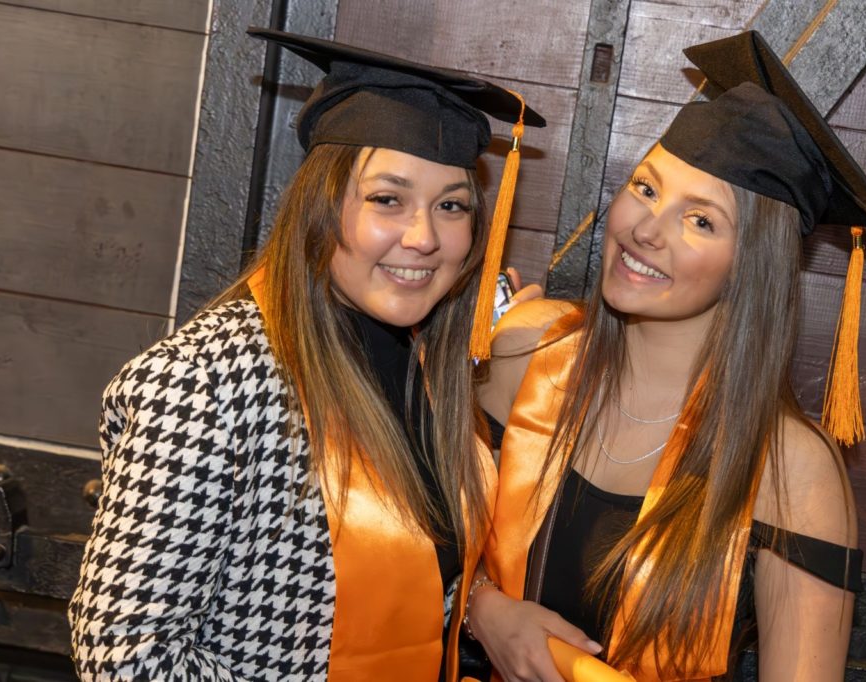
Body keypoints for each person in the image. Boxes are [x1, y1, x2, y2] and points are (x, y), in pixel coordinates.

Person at [67, 28, 543, 681]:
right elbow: (127, 657)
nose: (424, 236)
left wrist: (479, 607)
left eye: (452, 206)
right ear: (321, 205)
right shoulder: (207, 381)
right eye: (387, 199)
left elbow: (408, 577)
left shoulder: (426, 370)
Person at [469, 31, 866, 681]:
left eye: (701, 221)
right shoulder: (528, 353)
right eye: (646, 188)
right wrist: (485, 611)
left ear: (749, 267)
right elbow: (426, 548)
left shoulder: (790, 471)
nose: (647, 228)